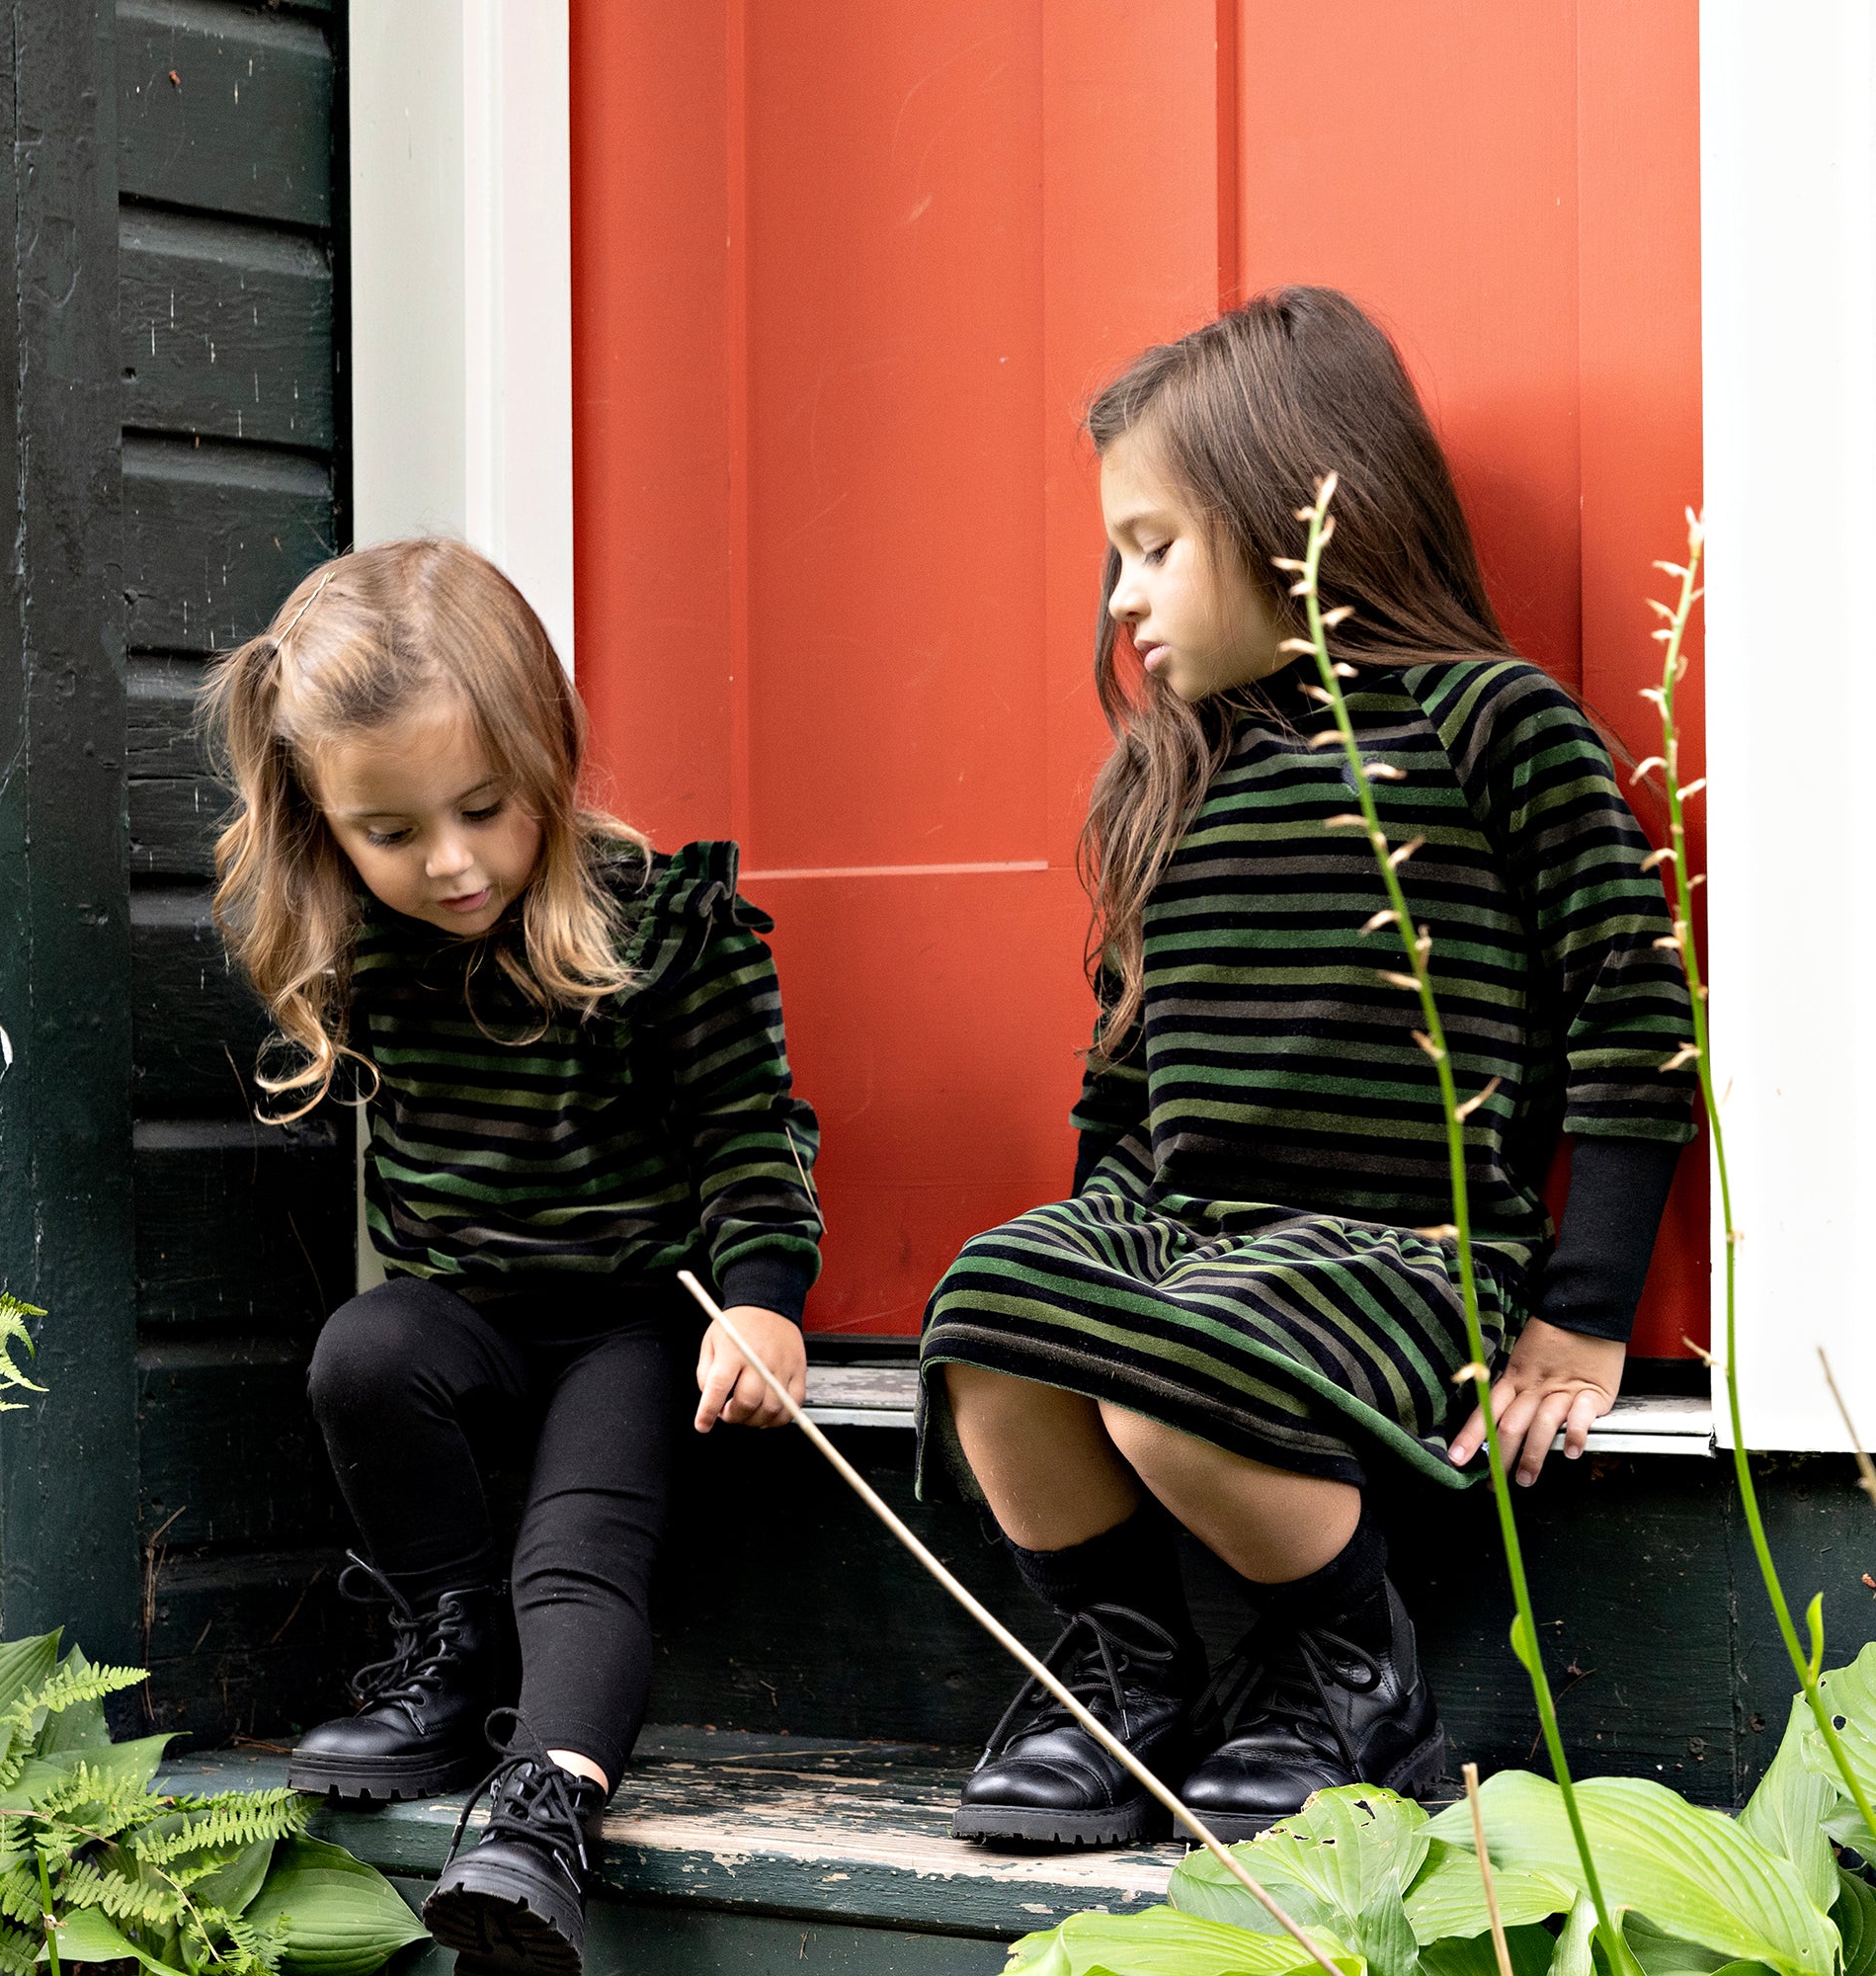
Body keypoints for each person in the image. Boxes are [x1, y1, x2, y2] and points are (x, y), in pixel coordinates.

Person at [918, 288, 1696, 1848]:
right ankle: (1124, 1672)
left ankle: (1346, 1675)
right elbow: (1120, 1077)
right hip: (1183, 1233)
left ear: (1298, 521)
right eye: (1113, 559)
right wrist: (1077, 1306)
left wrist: (1583, 1317)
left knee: (1184, 1364)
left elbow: (1632, 1002)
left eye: (1153, 546)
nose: (1121, 601)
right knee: (987, 1310)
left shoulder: (1495, 728)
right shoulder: (1175, 775)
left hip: (1399, 1251)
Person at [203, 539, 823, 1973]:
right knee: (365, 1349)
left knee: (579, 1551)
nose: (452, 863)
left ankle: (542, 1812)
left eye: (483, 809)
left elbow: (751, 1133)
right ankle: (448, 1648)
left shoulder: (664, 927)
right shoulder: (355, 938)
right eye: (393, 830)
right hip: (465, 1318)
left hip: (630, 1320)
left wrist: (762, 1307)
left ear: (548, 756)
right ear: (323, 821)